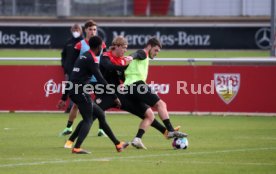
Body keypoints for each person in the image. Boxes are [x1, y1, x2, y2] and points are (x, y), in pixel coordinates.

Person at [60, 36, 128, 154]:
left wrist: (64, 96)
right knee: (88, 120)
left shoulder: (84, 55)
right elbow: (100, 79)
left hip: (75, 90)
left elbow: (72, 77)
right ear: (99, 47)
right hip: (80, 92)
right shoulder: (92, 58)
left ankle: (117, 144)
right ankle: (77, 147)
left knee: (100, 114)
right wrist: (114, 96)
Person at [124, 37, 188, 149]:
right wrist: (131, 56)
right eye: (156, 50)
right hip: (136, 85)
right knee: (161, 104)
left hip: (128, 89)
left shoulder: (142, 57)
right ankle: (171, 131)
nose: (157, 53)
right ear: (149, 46)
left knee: (149, 115)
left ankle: (137, 139)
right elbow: (137, 54)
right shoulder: (143, 53)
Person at [59, 20, 107, 137]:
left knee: (101, 102)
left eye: (94, 29)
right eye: (90, 29)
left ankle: (101, 129)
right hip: (84, 79)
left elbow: (104, 62)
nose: (92, 32)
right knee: (76, 104)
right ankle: (69, 127)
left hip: (97, 78)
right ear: (85, 30)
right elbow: (73, 63)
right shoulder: (80, 45)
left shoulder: (102, 45)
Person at [61, 24, 83, 113]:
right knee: (70, 89)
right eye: (74, 30)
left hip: (80, 71)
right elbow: (63, 55)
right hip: (69, 70)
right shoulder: (68, 42)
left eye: (77, 29)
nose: (75, 31)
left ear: (81, 31)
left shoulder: (83, 43)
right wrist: (64, 66)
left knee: (79, 90)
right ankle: (71, 107)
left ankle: (75, 107)